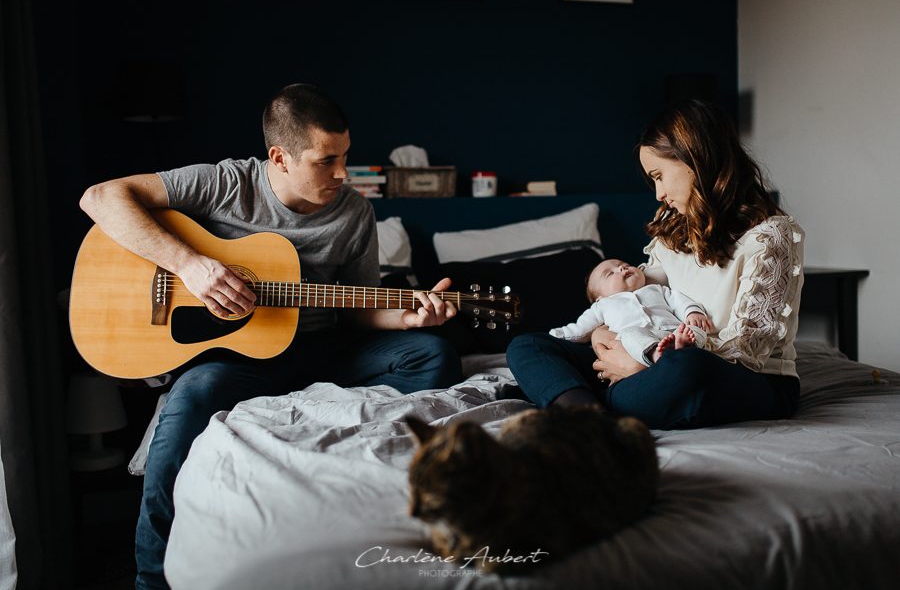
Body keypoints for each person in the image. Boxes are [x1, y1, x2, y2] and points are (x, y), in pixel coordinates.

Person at [79, 83, 463, 590]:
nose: (344, 174)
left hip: (324, 352)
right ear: (279, 157)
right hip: (241, 359)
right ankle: (151, 577)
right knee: (190, 395)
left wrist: (404, 319)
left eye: (346, 156)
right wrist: (190, 266)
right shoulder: (223, 184)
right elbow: (100, 197)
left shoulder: (354, 212)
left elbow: (357, 308)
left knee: (432, 352)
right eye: (327, 161)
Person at [507, 99, 804, 431]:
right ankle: (595, 423)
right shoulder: (674, 226)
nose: (659, 194)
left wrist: (639, 364)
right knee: (529, 345)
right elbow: (636, 294)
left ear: (696, 159)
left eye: (659, 176)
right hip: (654, 353)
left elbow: (748, 351)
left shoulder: (770, 236)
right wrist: (601, 334)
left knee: (687, 370)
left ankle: (574, 400)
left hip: (737, 376)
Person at [549, 258, 712, 365]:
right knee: (628, 334)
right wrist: (556, 335)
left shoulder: (657, 289)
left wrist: (692, 313)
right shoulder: (602, 306)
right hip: (641, 340)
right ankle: (655, 354)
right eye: (610, 274)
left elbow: (679, 301)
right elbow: (580, 329)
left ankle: (686, 346)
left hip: (673, 333)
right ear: (599, 297)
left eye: (624, 265)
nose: (621, 268)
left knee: (692, 328)